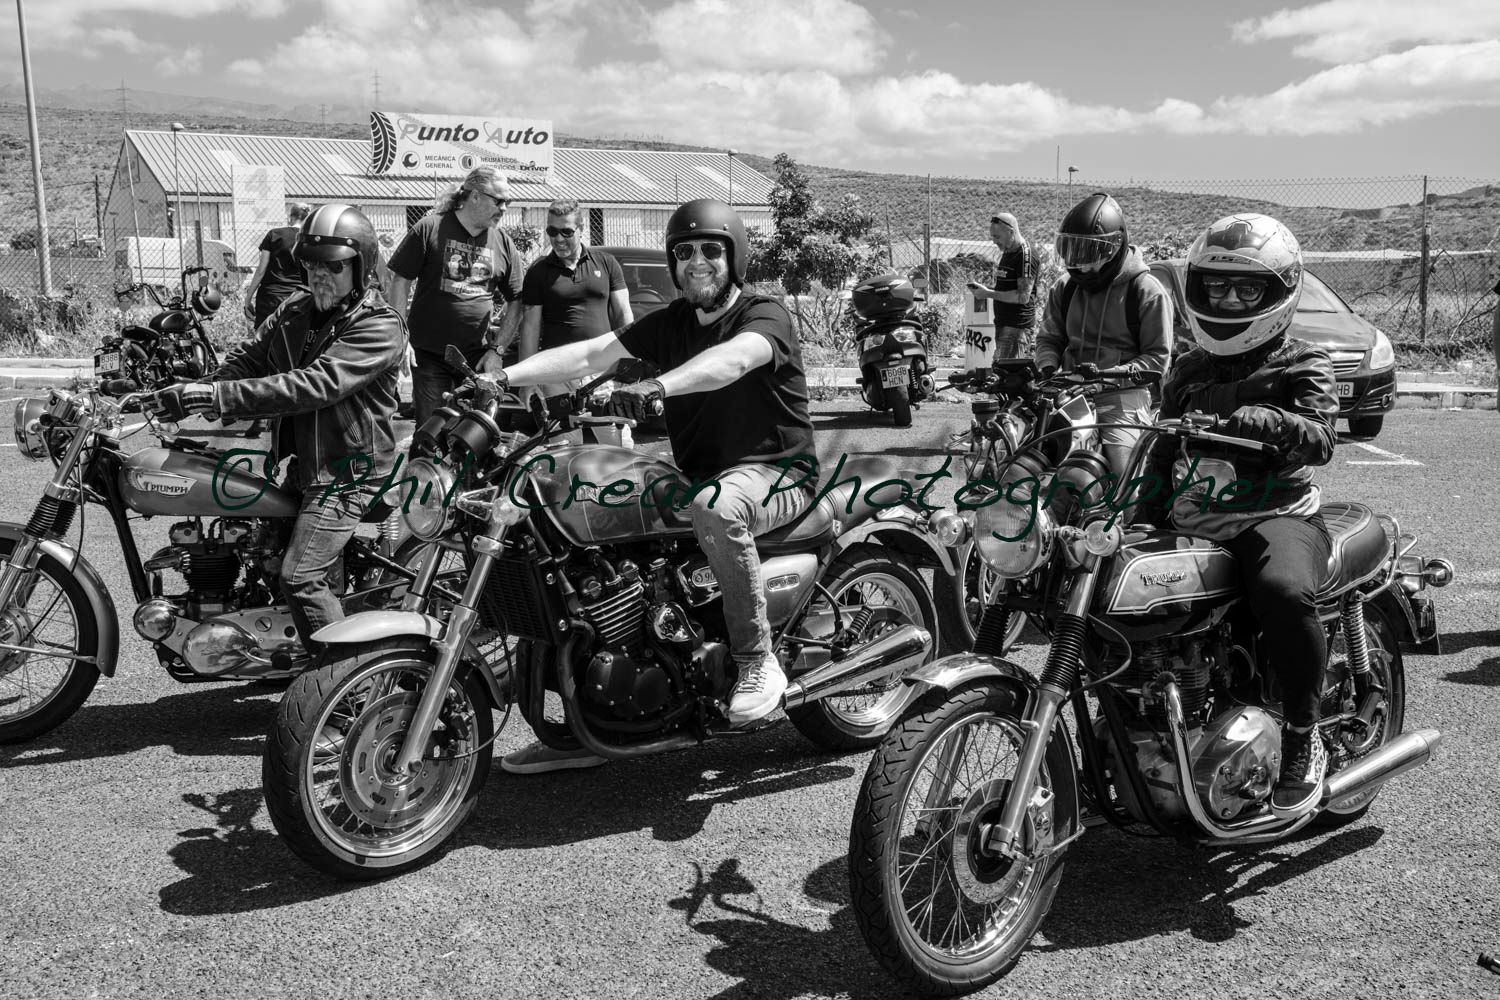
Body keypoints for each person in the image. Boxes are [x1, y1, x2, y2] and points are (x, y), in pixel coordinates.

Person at [487, 198, 816, 774]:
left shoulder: (765, 315)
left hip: (777, 472)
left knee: (716, 506)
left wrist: (659, 387)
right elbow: (595, 351)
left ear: (733, 257)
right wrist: (501, 377)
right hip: (698, 472)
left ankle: (756, 657)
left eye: (711, 250)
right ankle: (585, 724)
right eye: (684, 252)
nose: (697, 262)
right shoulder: (670, 324)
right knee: (575, 515)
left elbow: (734, 361)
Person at [1137, 212, 1338, 820]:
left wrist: (1275, 422)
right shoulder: (1190, 368)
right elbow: (1162, 448)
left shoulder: (1303, 360)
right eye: (1217, 287)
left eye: (1246, 289)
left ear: (1279, 293)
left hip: (1274, 513)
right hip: (1195, 516)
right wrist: (1141, 516)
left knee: (1280, 591)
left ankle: (1304, 737)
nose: (1227, 299)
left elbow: (1322, 438)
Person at [149, 205, 404, 658]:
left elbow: (315, 384)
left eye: (333, 264)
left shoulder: (379, 326)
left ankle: (345, 686)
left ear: (361, 265)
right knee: (261, 555)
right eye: (310, 262)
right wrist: (201, 387)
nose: (319, 273)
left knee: (301, 576)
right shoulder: (294, 310)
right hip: (306, 462)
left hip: (350, 469)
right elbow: (250, 358)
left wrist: (221, 399)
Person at [1033, 192, 1173, 479]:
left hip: (1123, 395)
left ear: (1115, 246)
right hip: (1068, 391)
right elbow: (1049, 338)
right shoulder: (1065, 287)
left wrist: (1106, 378)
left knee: (1126, 476)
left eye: (1089, 254)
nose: (1081, 265)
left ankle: (1125, 519)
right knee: (1021, 454)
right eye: (1074, 252)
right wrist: (1047, 368)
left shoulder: (1147, 291)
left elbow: (1157, 360)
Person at [387, 166, 523, 426]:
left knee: (474, 436)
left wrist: (498, 350)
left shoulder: (503, 242)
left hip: (477, 359)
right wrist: (400, 337)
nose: (505, 208)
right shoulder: (430, 227)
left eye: (509, 201)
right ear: (474, 196)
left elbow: (517, 300)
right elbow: (400, 280)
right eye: (500, 200)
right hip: (430, 356)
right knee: (431, 432)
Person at [515, 198, 633, 422]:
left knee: (614, 442)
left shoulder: (606, 263)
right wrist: (527, 380)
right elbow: (530, 327)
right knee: (563, 446)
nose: (558, 239)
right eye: (552, 231)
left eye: (566, 232)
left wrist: (628, 365)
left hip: (602, 369)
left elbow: (623, 315)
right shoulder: (538, 271)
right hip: (555, 371)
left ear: (581, 229)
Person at [967, 212, 1038, 360]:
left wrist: (988, 294)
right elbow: (1006, 289)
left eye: (997, 237)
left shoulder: (1025, 255)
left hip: (1016, 327)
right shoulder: (1008, 251)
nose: (994, 241)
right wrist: (986, 289)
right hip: (1004, 324)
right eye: (992, 237)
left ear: (1010, 232)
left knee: (1005, 376)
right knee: (1002, 374)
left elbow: (1023, 296)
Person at [242, 202, 313, 327]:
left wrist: (248, 299)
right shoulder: (309, 239)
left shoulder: (274, 234)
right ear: (307, 219)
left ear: (290, 217)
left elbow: (261, 270)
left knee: (262, 341)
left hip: (270, 297)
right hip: (298, 298)